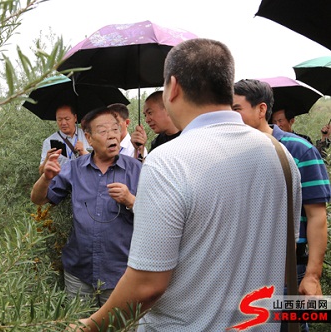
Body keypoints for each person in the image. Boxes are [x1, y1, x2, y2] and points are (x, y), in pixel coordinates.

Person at [71, 38, 302, 332]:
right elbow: (283, 248)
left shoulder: (170, 161)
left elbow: (147, 286)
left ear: (174, 87)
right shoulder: (281, 157)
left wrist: (88, 327)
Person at [31, 107, 142, 307]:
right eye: (103, 131)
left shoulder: (137, 170)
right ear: (89, 139)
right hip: (79, 272)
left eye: (115, 129)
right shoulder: (74, 168)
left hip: (121, 272)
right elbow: (38, 199)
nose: (111, 135)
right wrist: (45, 178)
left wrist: (130, 200)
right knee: (79, 326)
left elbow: (156, 215)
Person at [233, 79, 330, 294]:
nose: (231, 116)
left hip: (288, 267)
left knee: (287, 326)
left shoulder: (299, 150)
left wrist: (312, 276)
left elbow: (316, 216)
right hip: (241, 267)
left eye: (237, 109)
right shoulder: (232, 152)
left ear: (261, 109)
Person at [38, 105, 90, 174]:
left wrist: (83, 152)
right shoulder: (49, 142)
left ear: (75, 118)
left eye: (67, 119)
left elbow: (98, 161)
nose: (63, 123)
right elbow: (41, 172)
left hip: (85, 180)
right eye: (59, 119)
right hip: (62, 183)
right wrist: (47, 159)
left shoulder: (87, 136)